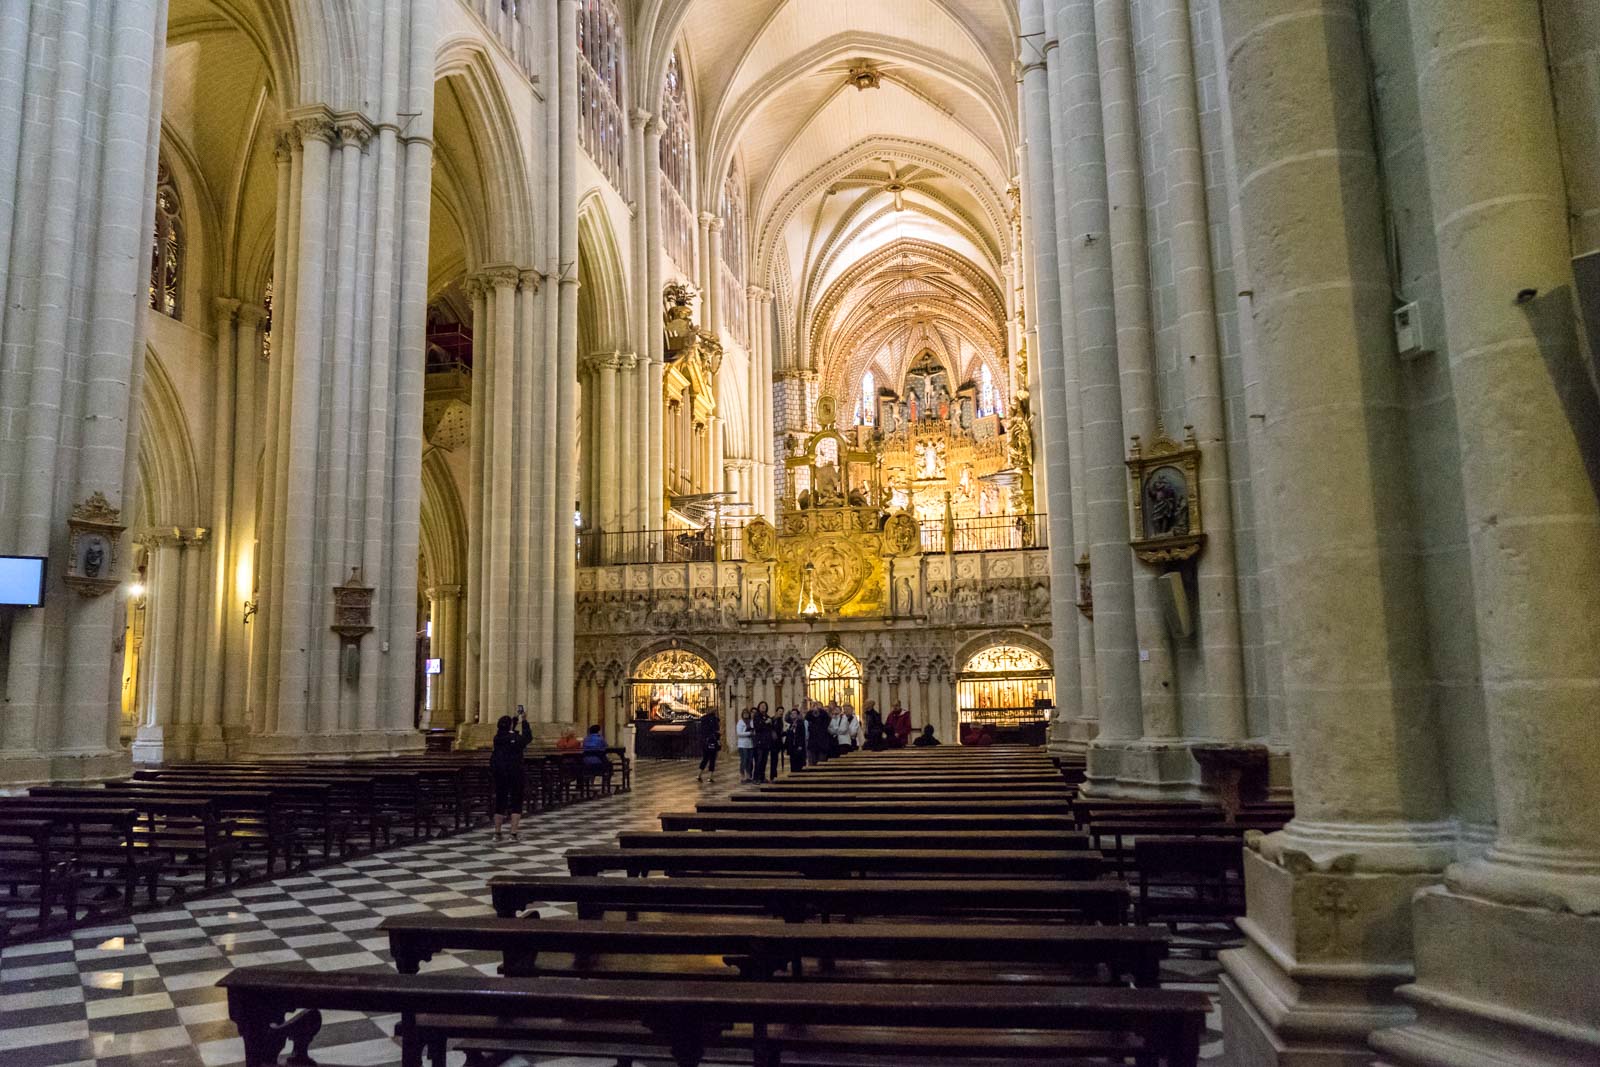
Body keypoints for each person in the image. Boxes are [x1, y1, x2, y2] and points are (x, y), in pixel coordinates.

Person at [490, 708, 532, 840]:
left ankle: (497, 833)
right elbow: (527, 737)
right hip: (515, 772)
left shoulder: (497, 738)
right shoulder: (515, 738)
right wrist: (524, 721)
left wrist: (513, 721)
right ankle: (513, 833)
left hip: (500, 773)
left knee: (500, 801)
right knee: (516, 801)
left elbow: (508, 733)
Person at [581, 723, 612, 792]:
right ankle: (606, 783)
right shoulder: (600, 738)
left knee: (592, 766)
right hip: (598, 761)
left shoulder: (586, 739)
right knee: (609, 765)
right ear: (598, 731)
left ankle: (591, 783)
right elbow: (606, 746)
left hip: (586, 760)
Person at [697, 709, 721, 782]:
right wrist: (718, 740)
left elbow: (701, 731)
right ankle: (710, 776)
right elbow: (717, 731)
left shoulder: (703, 719)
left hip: (705, 742)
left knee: (705, 758)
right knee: (712, 759)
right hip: (712, 741)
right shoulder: (715, 720)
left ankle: (699, 774)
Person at [751, 707, 772, 783]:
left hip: (766, 742)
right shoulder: (756, 717)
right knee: (758, 761)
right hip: (759, 742)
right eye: (761, 705)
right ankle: (756, 778)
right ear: (759, 707)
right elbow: (758, 727)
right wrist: (765, 723)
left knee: (764, 761)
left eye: (765, 706)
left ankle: (762, 777)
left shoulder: (767, 717)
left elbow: (769, 729)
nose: (763, 707)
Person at [785, 706, 807, 773]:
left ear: (797, 715)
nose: (793, 715)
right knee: (793, 762)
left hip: (798, 745)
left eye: (794, 713)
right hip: (792, 746)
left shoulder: (800, 723)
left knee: (799, 761)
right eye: (792, 714)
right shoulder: (791, 724)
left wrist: (800, 745)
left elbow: (802, 735)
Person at [767, 706, 786, 781]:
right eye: (780, 711)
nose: (781, 713)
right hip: (773, 743)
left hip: (778, 743)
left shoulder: (780, 720)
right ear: (777, 712)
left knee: (775, 760)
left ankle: (774, 775)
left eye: (782, 711)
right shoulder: (772, 719)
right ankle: (773, 776)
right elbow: (770, 729)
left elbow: (779, 732)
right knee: (773, 760)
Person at [736, 709, 755, 782]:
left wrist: (752, 732)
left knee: (749, 760)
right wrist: (749, 733)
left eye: (747, 713)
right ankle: (742, 775)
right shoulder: (740, 722)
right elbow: (739, 733)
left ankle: (748, 775)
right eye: (744, 713)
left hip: (750, 744)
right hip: (742, 744)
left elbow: (753, 730)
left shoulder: (751, 721)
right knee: (744, 760)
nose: (746, 715)